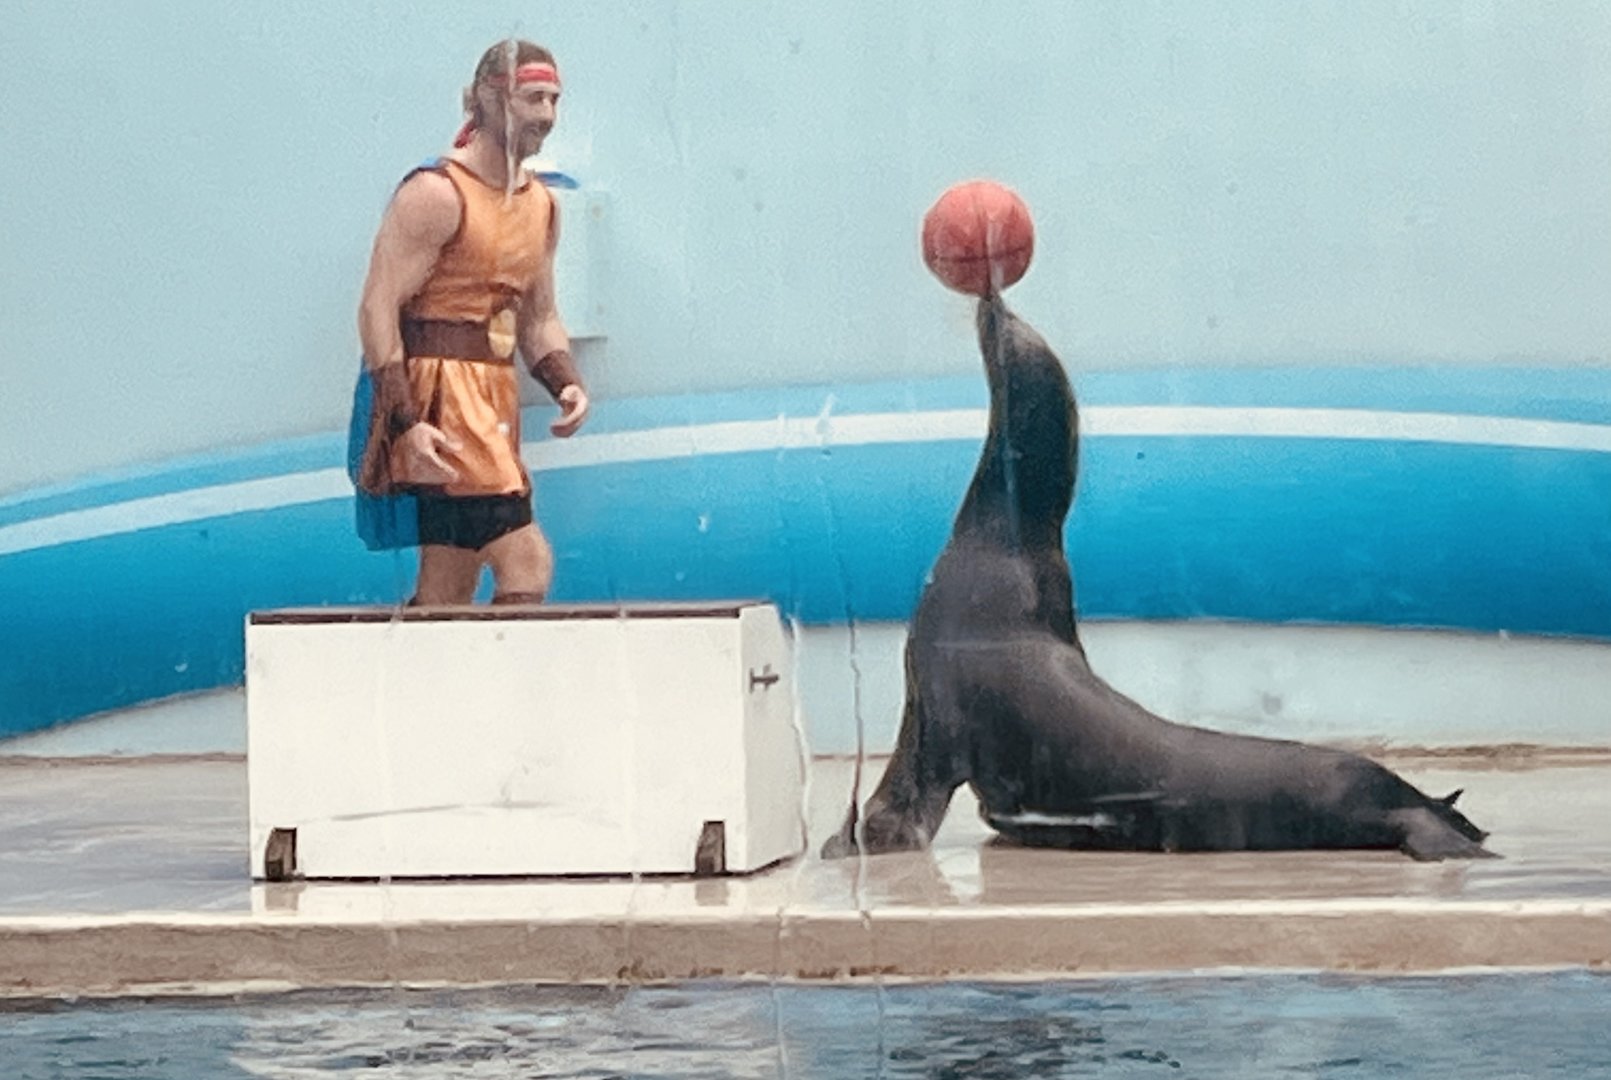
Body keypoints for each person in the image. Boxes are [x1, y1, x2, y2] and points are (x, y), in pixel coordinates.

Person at [353, 39, 588, 606]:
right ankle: (507, 686)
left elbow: (539, 316)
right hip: (443, 404)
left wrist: (564, 381)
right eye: (534, 98)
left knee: (447, 581)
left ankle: (423, 686)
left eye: (554, 100)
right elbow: (378, 307)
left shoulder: (541, 206)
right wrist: (406, 420)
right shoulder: (435, 194)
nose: (547, 116)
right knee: (526, 557)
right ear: (490, 98)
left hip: (493, 399)